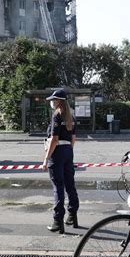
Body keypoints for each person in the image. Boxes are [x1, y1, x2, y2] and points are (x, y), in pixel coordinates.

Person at [42, 88, 79, 234]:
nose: (52, 102)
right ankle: (72, 215)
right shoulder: (71, 117)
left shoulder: (57, 115)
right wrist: (68, 151)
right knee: (70, 185)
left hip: (57, 154)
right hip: (68, 151)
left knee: (58, 186)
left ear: (59, 101)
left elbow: (54, 140)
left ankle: (58, 221)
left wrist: (45, 159)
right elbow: (73, 139)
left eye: (53, 100)